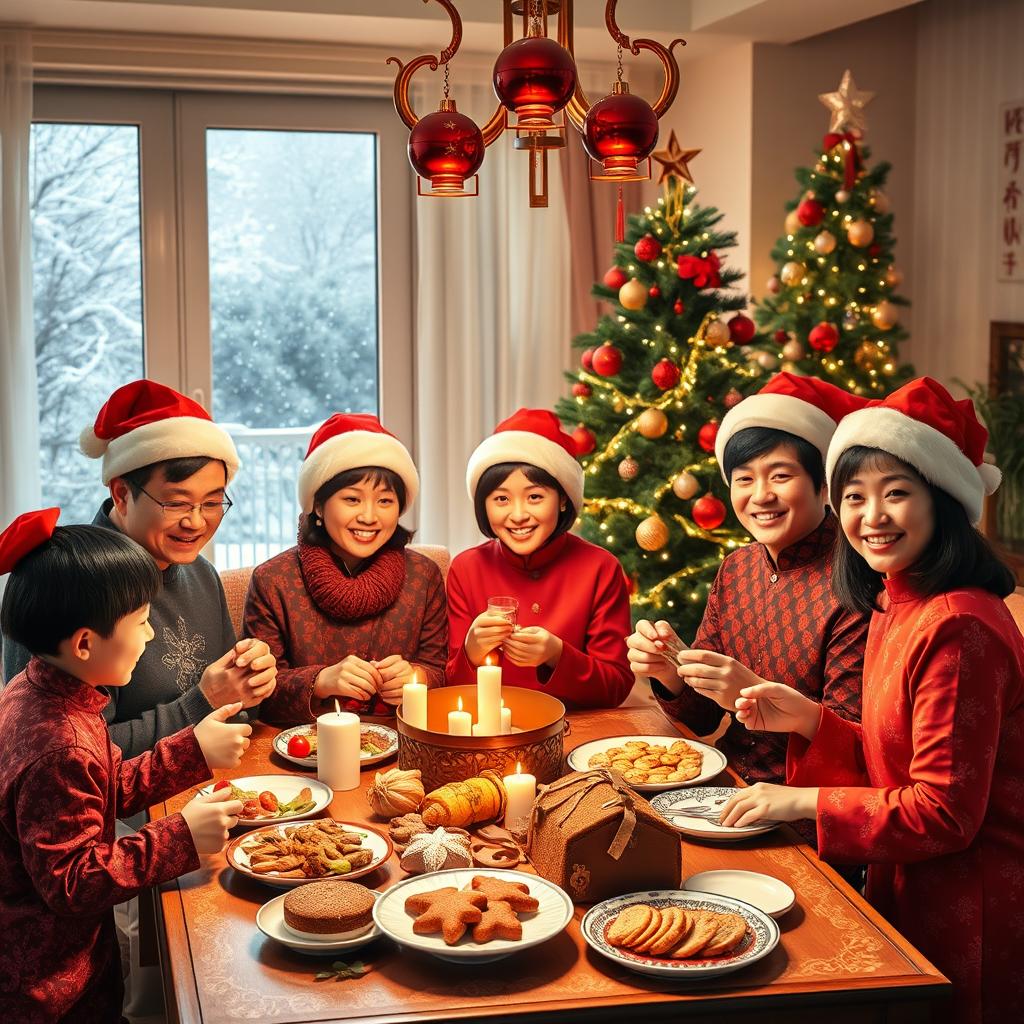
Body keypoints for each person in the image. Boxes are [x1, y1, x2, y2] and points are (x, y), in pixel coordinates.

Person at [719, 377, 1024, 1024]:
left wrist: (798, 799)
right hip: (904, 882)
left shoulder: (959, 626)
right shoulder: (894, 598)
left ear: (942, 501)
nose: (872, 516)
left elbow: (943, 812)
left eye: (897, 493)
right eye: (854, 496)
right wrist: (807, 719)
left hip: (972, 903)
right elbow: (900, 757)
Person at [0, 509, 252, 1022]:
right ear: (85, 643)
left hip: (67, 961)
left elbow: (102, 785)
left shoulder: (46, 692)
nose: (151, 637)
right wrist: (181, 836)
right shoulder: (59, 743)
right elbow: (71, 881)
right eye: (141, 623)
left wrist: (191, 751)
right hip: (49, 984)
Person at [625, 373, 869, 843]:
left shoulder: (855, 575)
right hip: (725, 795)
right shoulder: (736, 569)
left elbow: (857, 742)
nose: (761, 495)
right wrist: (671, 668)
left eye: (781, 475)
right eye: (744, 479)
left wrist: (754, 689)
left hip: (810, 814)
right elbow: (702, 717)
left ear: (824, 487)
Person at [1, 380, 277, 758]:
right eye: (177, 503)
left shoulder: (200, 574)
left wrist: (251, 680)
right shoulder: (64, 583)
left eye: (212, 503)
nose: (196, 522)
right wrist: (203, 700)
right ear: (121, 493)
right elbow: (57, 752)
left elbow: (239, 713)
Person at [246, 414, 447, 722]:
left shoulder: (424, 575)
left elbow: (441, 672)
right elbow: (257, 695)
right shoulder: (273, 580)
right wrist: (321, 681)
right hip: (306, 749)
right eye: (352, 499)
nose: (369, 516)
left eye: (385, 501)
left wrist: (415, 677)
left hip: (403, 747)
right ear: (317, 505)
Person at [446, 408, 633, 708]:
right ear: (484, 505)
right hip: (488, 736)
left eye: (535, 497)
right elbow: (450, 694)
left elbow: (617, 686)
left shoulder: (600, 567)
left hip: (575, 736)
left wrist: (557, 654)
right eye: (501, 499)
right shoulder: (466, 569)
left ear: (562, 500)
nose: (518, 515)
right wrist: (471, 651)